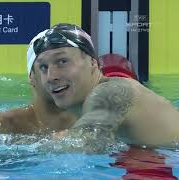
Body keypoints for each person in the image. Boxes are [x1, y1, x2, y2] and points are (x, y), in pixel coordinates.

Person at [31, 23, 179, 146]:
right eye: (44, 67)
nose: (51, 76)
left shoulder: (111, 92)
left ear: (93, 62)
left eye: (62, 62)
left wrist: (15, 151)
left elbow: (86, 144)